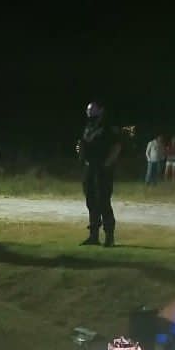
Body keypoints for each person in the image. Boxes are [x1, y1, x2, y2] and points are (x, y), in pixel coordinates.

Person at [77, 101, 121, 247]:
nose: (89, 112)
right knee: (91, 201)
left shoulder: (108, 126)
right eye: (88, 110)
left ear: (101, 110)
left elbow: (117, 146)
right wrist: (80, 152)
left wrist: (108, 163)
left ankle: (109, 237)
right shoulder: (89, 126)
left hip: (102, 169)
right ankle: (93, 236)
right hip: (89, 168)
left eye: (92, 109)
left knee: (103, 201)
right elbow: (82, 143)